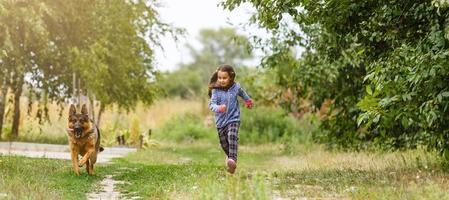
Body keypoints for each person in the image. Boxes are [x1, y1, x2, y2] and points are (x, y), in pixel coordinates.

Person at [208, 64, 253, 174]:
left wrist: (247, 100)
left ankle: (232, 159)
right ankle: (230, 160)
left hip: (234, 118)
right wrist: (218, 108)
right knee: (224, 144)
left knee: (232, 136)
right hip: (220, 122)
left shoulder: (236, 87)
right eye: (220, 78)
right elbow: (211, 105)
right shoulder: (215, 91)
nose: (221, 80)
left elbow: (242, 93)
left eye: (224, 78)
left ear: (231, 77)